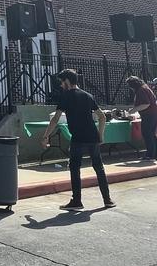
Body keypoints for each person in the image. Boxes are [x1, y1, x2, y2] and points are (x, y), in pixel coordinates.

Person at [41, 69, 114, 211]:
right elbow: (102, 117)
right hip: (92, 136)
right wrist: (101, 135)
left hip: (78, 137)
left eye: (62, 82)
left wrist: (45, 136)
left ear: (67, 81)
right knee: (98, 167)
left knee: (75, 168)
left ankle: (77, 201)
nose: (61, 85)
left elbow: (55, 119)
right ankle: (107, 200)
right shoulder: (88, 96)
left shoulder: (66, 96)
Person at [128, 76, 157, 161]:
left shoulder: (141, 90)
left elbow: (145, 104)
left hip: (149, 115)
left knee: (147, 134)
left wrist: (133, 110)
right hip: (154, 113)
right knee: (152, 134)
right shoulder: (145, 88)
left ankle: (150, 155)